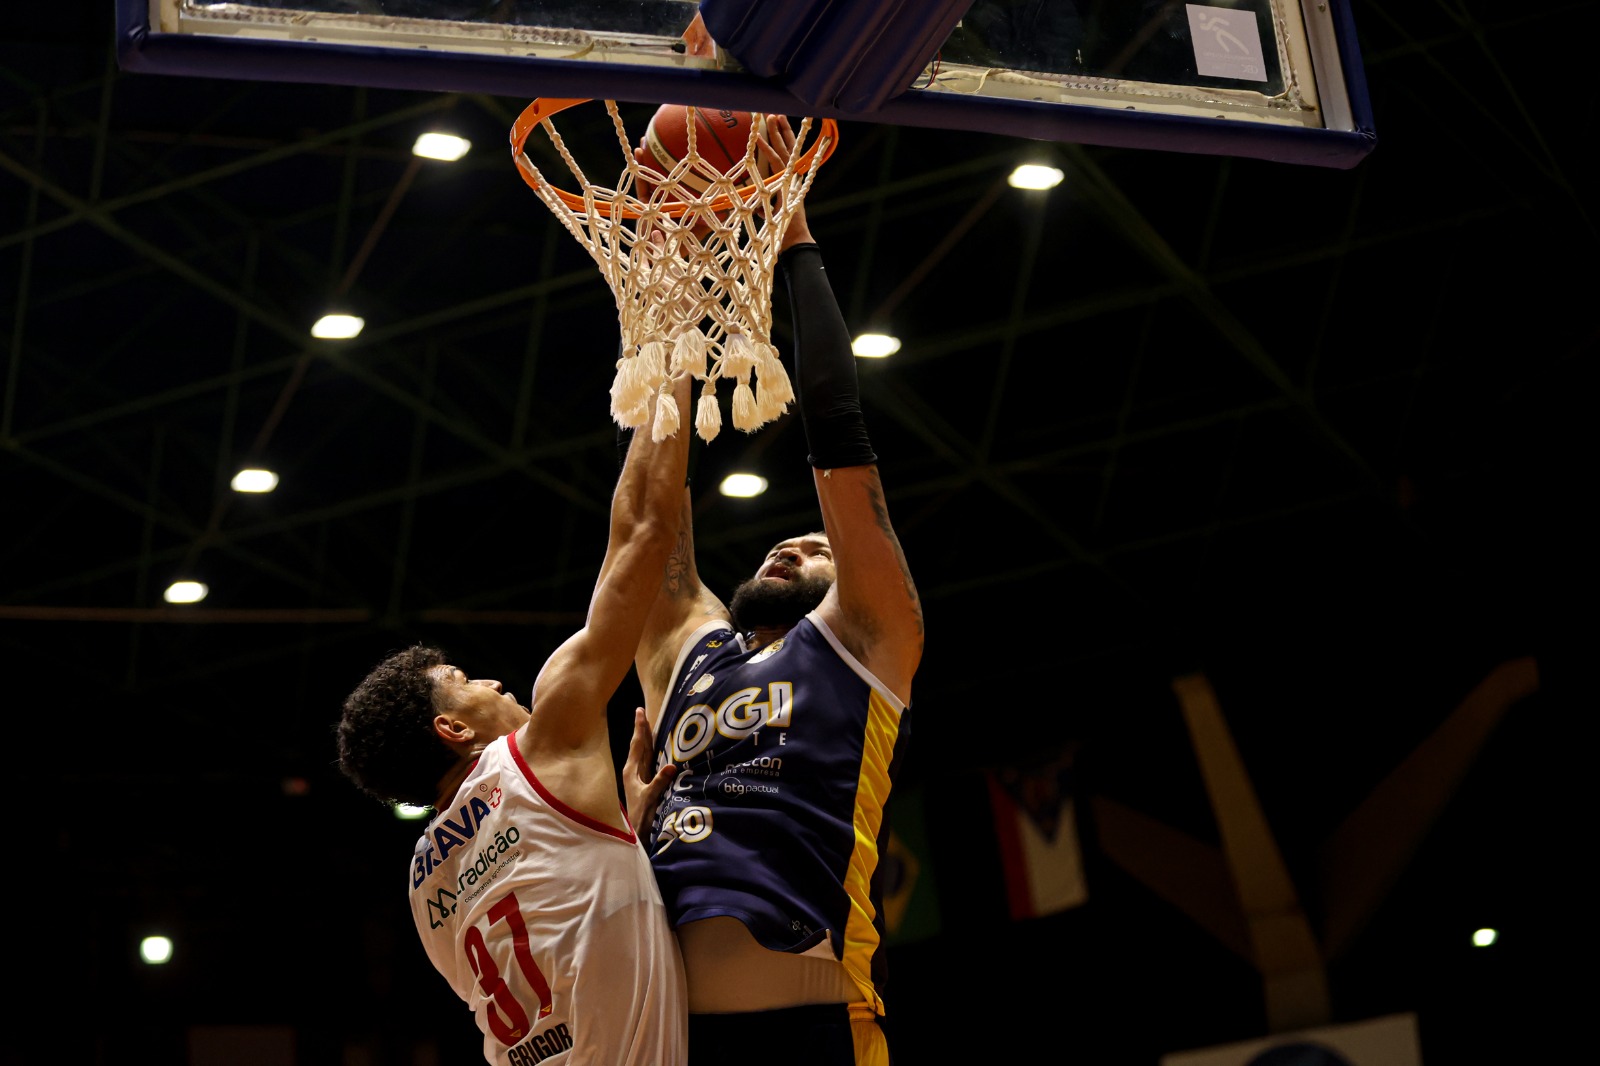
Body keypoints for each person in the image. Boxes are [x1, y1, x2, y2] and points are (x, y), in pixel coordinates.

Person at [628, 114, 924, 1066]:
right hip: (662, 1040)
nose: (797, 542)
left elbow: (838, 432)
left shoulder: (866, 644)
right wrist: (667, 301)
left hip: (813, 1033)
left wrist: (792, 240)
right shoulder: (687, 657)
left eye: (819, 546)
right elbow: (650, 521)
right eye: (790, 541)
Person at [336, 374, 692, 1066]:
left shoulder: (423, 883)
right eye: (465, 682)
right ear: (453, 730)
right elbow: (645, 532)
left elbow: (555, 930)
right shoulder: (543, 748)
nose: (491, 681)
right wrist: (667, 366)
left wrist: (622, 837)